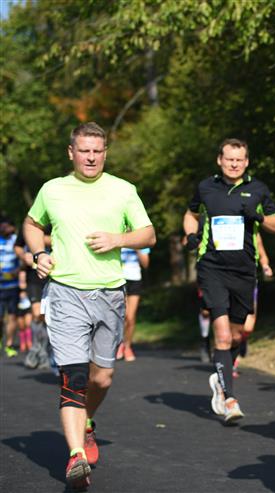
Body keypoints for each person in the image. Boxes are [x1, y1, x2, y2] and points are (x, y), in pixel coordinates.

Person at [24, 122, 156, 490]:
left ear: (105, 153)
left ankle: (86, 424)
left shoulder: (123, 190)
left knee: (102, 378)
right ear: (71, 153)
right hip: (65, 292)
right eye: (84, 150)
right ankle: (76, 456)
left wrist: (118, 238)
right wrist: (39, 253)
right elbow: (32, 224)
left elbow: (149, 234)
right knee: (74, 377)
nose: (91, 157)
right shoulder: (52, 189)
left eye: (97, 151)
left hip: (110, 294)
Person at [183, 138, 275, 424]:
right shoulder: (206, 187)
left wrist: (258, 217)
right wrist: (191, 234)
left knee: (239, 335)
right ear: (220, 160)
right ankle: (229, 399)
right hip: (212, 268)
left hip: (244, 271)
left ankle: (220, 377)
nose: (234, 164)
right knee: (223, 336)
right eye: (229, 159)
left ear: (246, 162)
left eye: (239, 160)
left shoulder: (258, 189)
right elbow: (190, 214)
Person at [233, 232, 272, 377]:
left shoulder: (253, 231)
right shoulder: (223, 226)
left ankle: (242, 339)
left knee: (248, 327)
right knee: (231, 323)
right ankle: (232, 362)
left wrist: (265, 266)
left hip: (249, 281)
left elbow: (262, 253)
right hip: (227, 281)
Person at [15, 225, 53, 370]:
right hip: (33, 276)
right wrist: (23, 256)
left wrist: (36, 238)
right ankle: (37, 350)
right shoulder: (29, 223)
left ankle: (45, 351)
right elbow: (18, 246)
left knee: (47, 316)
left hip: (54, 275)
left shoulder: (55, 220)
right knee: (37, 314)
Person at [116, 247, 150, 362]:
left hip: (135, 279)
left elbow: (146, 264)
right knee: (123, 315)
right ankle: (119, 344)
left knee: (130, 317)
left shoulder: (140, 240)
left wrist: (138, 248)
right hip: (119, 279)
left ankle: (127, 346)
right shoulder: (118, 237)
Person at [1, 216, 20, 357]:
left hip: (13, 286)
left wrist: (17, 271)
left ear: (12, 227)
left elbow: (24, 259)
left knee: (12, 317)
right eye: (2, 226)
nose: (4, 228)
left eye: (6, 226)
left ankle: (9, 344)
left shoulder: (16, 241)